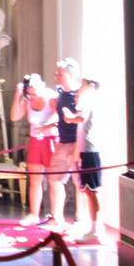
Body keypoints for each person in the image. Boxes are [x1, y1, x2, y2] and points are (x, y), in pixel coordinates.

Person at [54, 58, 103, 239]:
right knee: (87, 189)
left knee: (91, 190)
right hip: (85, 149)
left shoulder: (89, 99)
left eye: (83, 84)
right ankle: (93, 227)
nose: (80, 87)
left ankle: (95, 229)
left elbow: (82, 119)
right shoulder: (85, 99)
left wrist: (68, 116)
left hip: (90, 149)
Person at [14, 72, 68, 228]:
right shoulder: (28, 99)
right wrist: (18, 95)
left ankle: (57, 217)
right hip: (35, 141)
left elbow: (61, 118)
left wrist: (46, 127)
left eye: (34, 92)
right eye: (29, 93)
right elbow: (14, 116)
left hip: (51, 140)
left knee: (54, 181)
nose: (32, 96)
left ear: (42, 86)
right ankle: (34, 214)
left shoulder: (51, 97)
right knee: (35, 180)